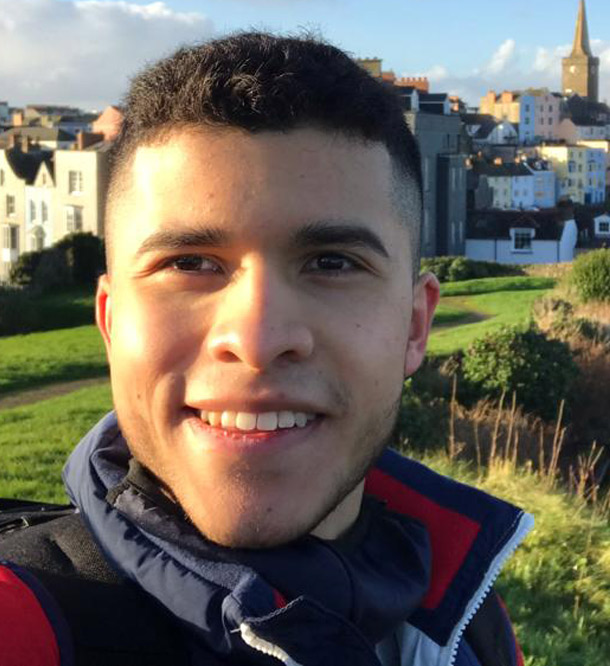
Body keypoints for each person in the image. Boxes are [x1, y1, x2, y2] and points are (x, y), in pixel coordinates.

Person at [0, 33, 532, 666]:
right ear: (111, 323)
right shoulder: (27, 625)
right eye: (190, 262)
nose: (256, 341)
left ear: (416, 326)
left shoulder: (469, 617)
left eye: (332, 263)